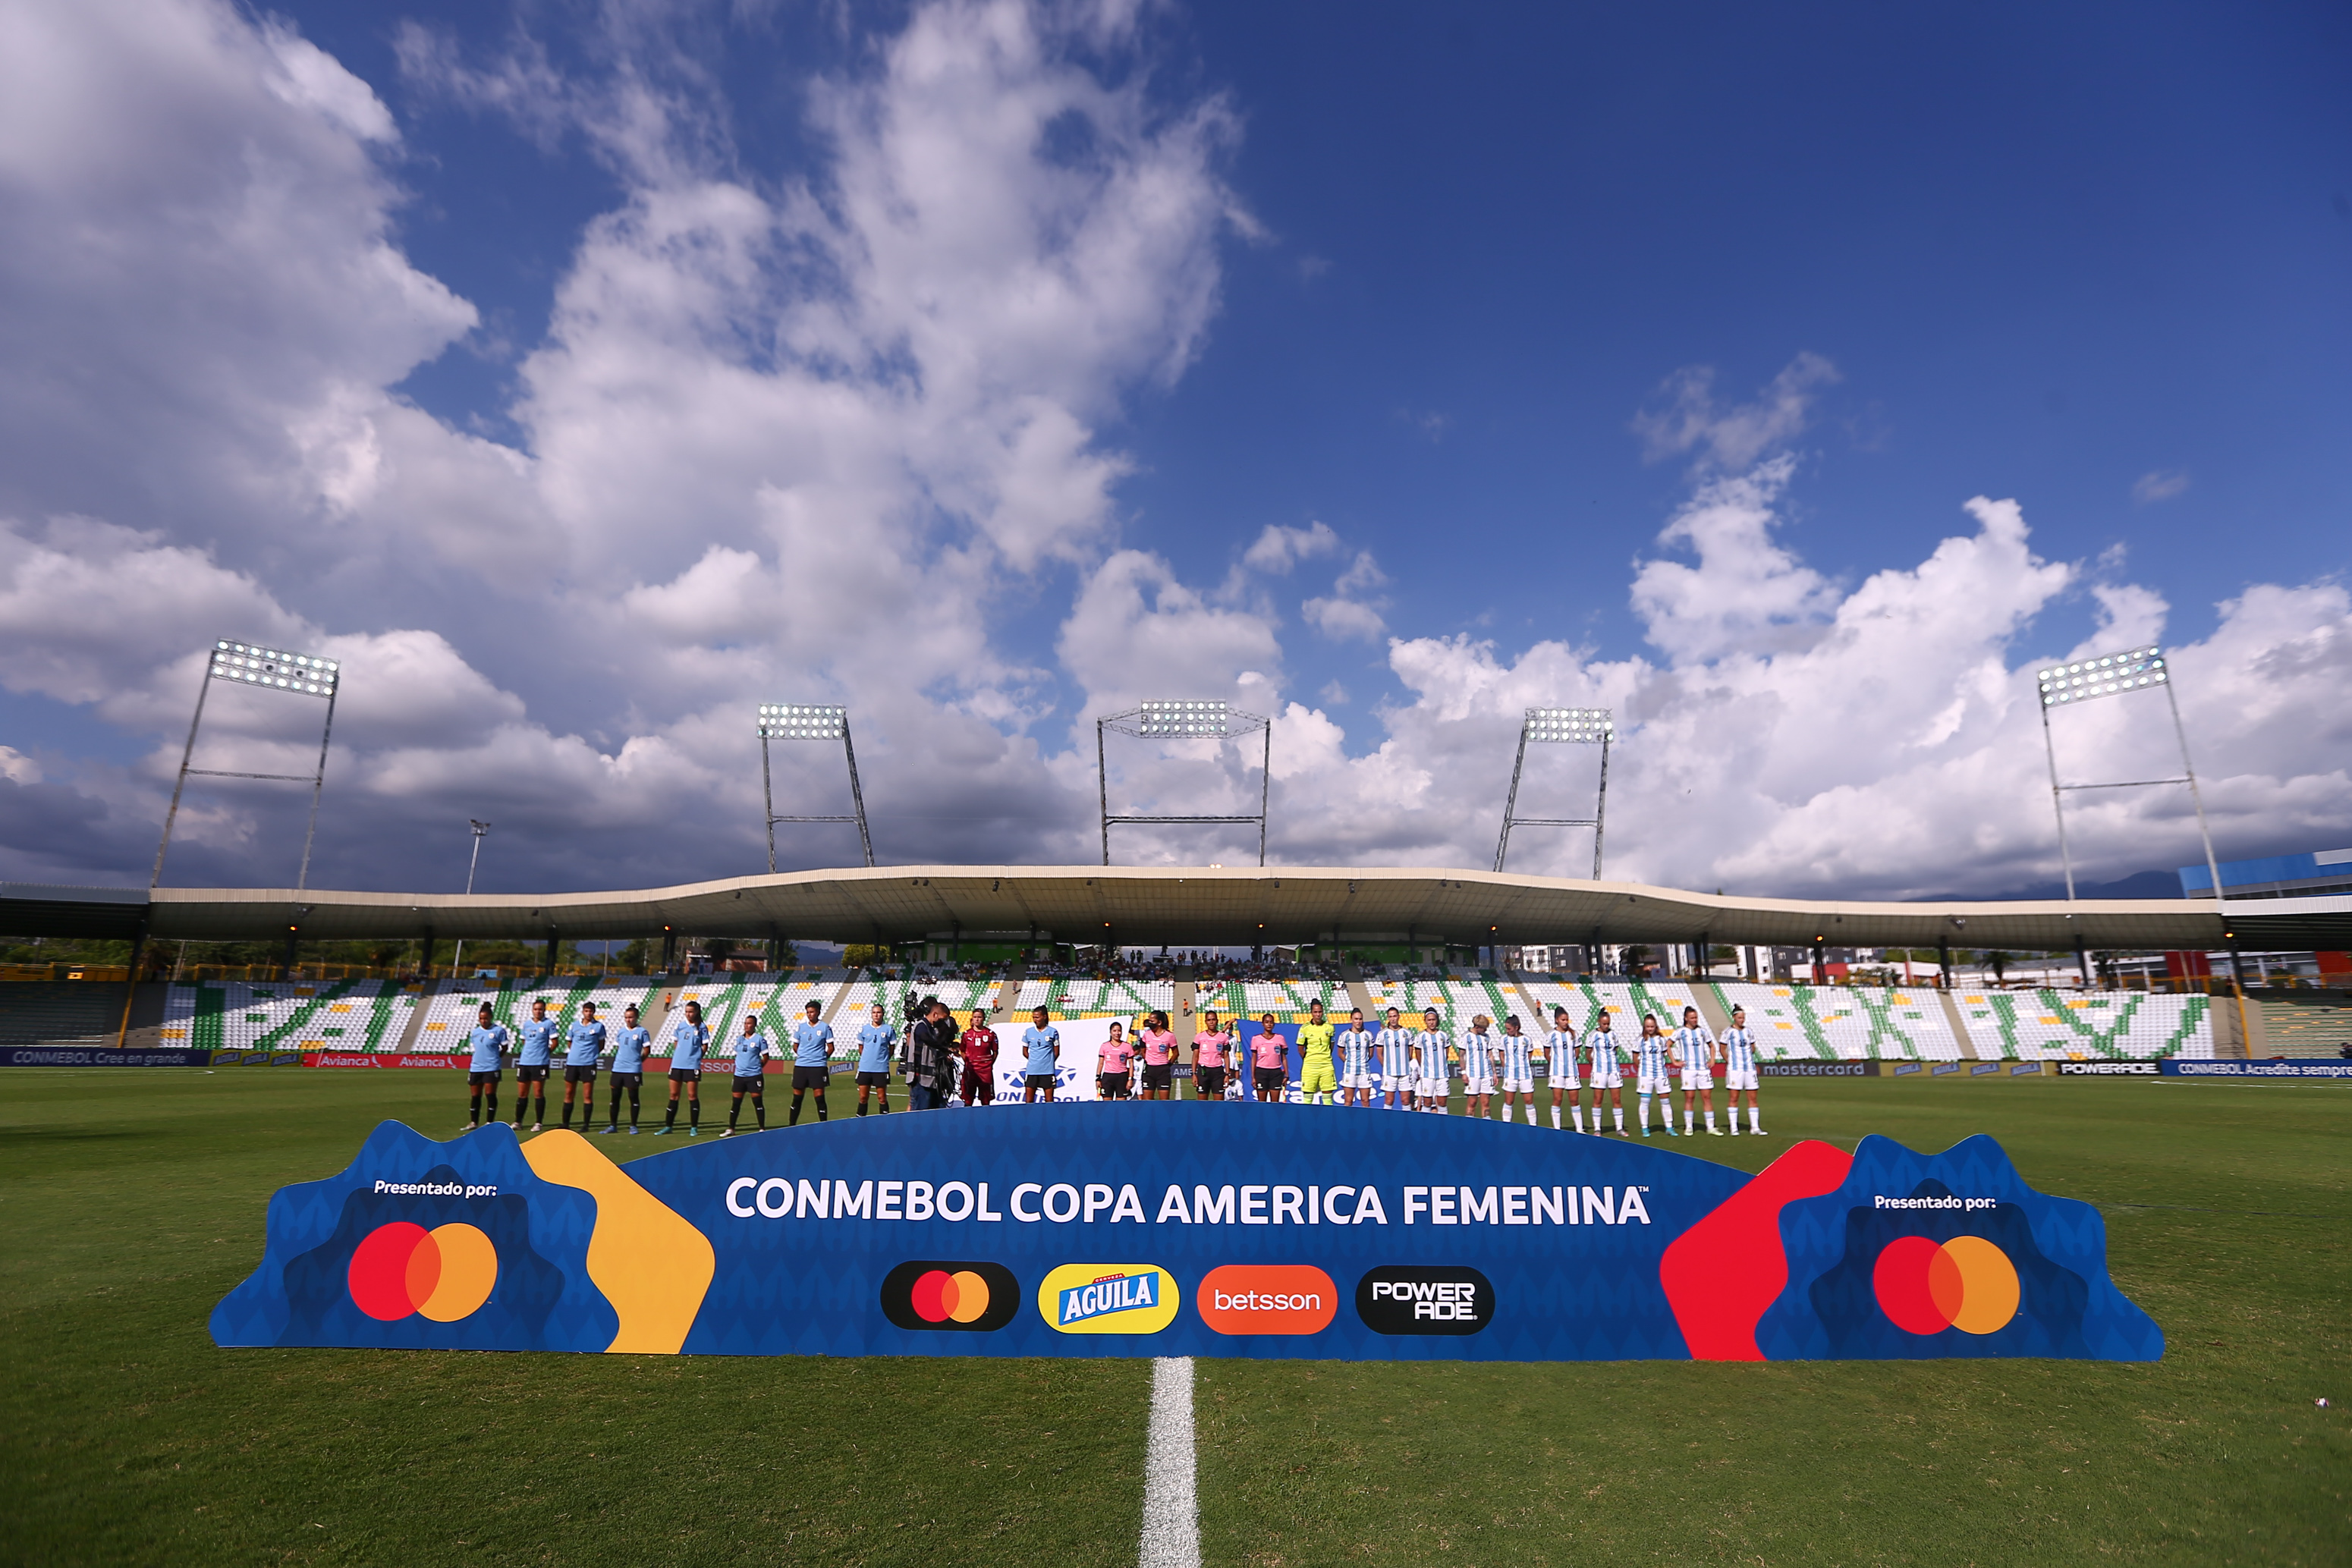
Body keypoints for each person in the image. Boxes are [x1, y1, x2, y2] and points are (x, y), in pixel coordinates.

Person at [720, 1013, 776, 1136]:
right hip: (739, 1075)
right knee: (736, 1103)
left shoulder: (759, 1039)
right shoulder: (739, 1039)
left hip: (754, 1075)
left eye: (749, 1023)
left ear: (755, 1025)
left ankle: (762, 1128)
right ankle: (731, 1128)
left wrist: (758, 1067)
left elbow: (766, 1057)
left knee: (757, 1102)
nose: (746, 1026)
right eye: (745, 1023)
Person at [658, 998, 709, 1135]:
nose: (688, 1014)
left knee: (692, 1096)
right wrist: (680, 1054)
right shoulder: (680, 1026)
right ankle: (668, 1126)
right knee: (673, 1095)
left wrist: (696, 1057)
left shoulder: (702, 1027)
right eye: (686, 1012)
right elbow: (676, 1042)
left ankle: (694, 1127)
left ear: (697, 1012)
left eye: (691, 1012)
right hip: (677, 1064)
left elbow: (705, 1045)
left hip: (692, 1065)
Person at [602, 1003, 651, 1134]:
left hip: (633, 1069)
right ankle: (613, 1125)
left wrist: (638, 1061)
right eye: (626, 1017)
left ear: (636, 1017)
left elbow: (647, 1050)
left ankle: (633, 1125)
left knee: (633, 1097)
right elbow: (619, 1048)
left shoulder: (642, 1032)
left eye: (631, 1017)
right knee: (615, 1098)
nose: (628, 1020)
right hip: (618, 1068)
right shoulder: (621, 1031)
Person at [1672, 1005, 1721, 1136]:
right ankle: (1689, 1127)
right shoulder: (1681, 1032)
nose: (1695, 1020)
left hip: (1703, 1070)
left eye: (1696, 1017)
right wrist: (1675, 1061)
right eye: (1692, 1018)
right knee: (1689, 1098)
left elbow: (1712, 1046)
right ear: (1686, 1018)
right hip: (1688, 1070)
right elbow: (1668, 1045)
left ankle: (1710, 1127)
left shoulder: (1703, 1032)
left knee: (1707, 1098)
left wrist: (1712, 1060)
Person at [512, 995, 559, 1132]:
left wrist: (545, 1052)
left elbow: (555, 1042)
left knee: (538, 1092)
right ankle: (518, 1122)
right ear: (532, 1010)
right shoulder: (527, 1024)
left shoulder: (549, 1024)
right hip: (525, 1062)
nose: (538, 1011)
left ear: (544, 1010)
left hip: (540, 1063)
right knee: (522, 1093)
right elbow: (524, 1040)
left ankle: (538, 1122)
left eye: (540, 1009)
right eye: (536, 1009)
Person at [558, 1000, 606, 1131]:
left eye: (591, 1011)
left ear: (594, 1012)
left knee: (587, 1095)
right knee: (569, 1093)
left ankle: (586, 1125)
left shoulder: (598, 1027)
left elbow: (601, 1045)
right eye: (586, 1011)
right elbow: (570, 1043)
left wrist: (591, 1054)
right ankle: (565, 1123)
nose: (588, 1013)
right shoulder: (574, 1026)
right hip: (573, 1063)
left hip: (588, 1064)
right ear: (583, 1012)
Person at [785, 999, 832, 1126]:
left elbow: (831, 1047)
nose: (810, 1014)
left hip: (818, 1067)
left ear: (818, 1012)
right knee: (797, 1098)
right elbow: (795, 1046)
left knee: (820, 1098)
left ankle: (824, 1125)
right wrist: (803, 1056)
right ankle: (791, 1125)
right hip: (801, 1066)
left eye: (812, 1012)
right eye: (808, 1012)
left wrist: (821, 1058)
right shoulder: (801, 1027)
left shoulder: (825, 1027)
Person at [462, 1001, 508, 1133]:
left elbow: (504, 1047)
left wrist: (496, 1058)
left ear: (491, 1018)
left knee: (490, 1094)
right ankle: (474, 1122)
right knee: (475, 1096)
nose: (483, 1021)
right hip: (476, 1067)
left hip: (492, 1067)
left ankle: (490, 1122)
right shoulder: (475, 1032)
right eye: (481, 1018)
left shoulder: (499, 1031)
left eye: (486, 1018)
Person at [1720, 1004, 1765, 1136]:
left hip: (1749, 1069)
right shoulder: (1728, 1032)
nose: (1742, 1020)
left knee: (1753, 1098)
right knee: (1734, 1097)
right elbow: (1722, 1048)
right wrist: (1730, 1061)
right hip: (1735, 1070)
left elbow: (1753, 1047)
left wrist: (1749, 1057)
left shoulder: (1749, 1031)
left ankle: (1755, 1127)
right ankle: (1734, 1127)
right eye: (1739, 1017)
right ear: (1734, 1017)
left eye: (1743, 1018)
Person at [906, 998, 957, 1109]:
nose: (943, 1022)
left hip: (932, 1080)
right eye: (942, 1019)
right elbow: (927, 1039)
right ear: (935, 1015)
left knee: (937, 1112)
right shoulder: (921, 1025)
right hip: (920, 1080)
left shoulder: (932, 1029)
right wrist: (944, 1049)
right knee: (920, 1114)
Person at [1584, 1007, 1627, 1135]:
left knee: (1617, 1100)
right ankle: (1597, 1129)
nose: (1606, 1026)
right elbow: (1588, 1053)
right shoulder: (1592, 1035)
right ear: (1599, 1022)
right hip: (1599, 1071)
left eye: (1608, 1023)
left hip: (1614, 1071)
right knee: (1598, 1100)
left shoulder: (1613, 1034)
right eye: (1604, 1023)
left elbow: (1615, 1050)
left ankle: (1619, 1128)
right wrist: (1595, 1064)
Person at [1634, 1013, 1678, 1137]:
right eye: (1648, 1026)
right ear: (1644, 1026)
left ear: (1655, 1026)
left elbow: (1664, 1053)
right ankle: (1645, 1128)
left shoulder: (1661, 1040)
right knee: (1645, 1101)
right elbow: (1635, 1057)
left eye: (1652, 1026)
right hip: (1646, 1075)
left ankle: (1669, 1127)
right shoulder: (1640, 1040)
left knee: (1665, 1100)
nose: (1650, 1029)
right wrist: (1644, 1068)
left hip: (1661, 1074)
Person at [853, 1001, 896, 1116]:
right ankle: (860, 1121)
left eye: (879, 1012)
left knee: (882, 1098)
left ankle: (885, 1121)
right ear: (871, 1014)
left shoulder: (889, 1030)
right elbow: (861, 1048)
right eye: (874, 1013)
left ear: (883, 1014)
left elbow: (891, 1049)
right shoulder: (864, 1029)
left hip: (880, 1069)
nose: (876, 1015)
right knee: (863, 1097)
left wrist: (883, 1059)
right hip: (865, 1068)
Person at [1544, 1006, 1580, 1130]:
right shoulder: (1550, 1034)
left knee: (1574, 1100)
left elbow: (1577, 1052)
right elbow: (1547, 1053)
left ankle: (1580, 1129)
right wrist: (1556, 1063)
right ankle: (1557, 1129)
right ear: (1557, 1020)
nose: (1566, 1022)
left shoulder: (1573, 1034)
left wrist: (1570, 1062)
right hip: (1557, 1072)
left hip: (1572, 1072)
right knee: (1557, 1099)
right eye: (1563, 1020)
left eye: (1567, 1020)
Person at [1294, 1000, 1338, 1106]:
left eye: (1320, 1012)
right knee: (1308, 1099)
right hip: (1310, 1067)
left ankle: (1328, 1121)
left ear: (1323, 1012)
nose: (1318, 1015)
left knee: (1328, 1100)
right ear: (1312, 1013)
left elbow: (1331, 1046)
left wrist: (1324, 1056)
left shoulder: (1330, 1027)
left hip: (1326, 1066)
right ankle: (1306, 1121)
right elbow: (1300, 1048)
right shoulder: (1305, 1028)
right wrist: (1310, 1059)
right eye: (1315, 1012)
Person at [1497, 1014, 1537, 1124]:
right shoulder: (1504, 1039)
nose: (1507, 1031)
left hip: (1525, 1075)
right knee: (1509, 1101)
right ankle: (1506, 1125)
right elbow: (1502, 1055)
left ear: (1517, 1027)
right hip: (1510, 1075)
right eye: (1506, 1028)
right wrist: (1506, 1067)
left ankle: (1533, 1126)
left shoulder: (1527, 1039)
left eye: (1509, 1028)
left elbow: (1529, 1055)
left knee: (1529, 1101)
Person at [1458, 1013, 1498, 1118]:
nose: (1485, 1031)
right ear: (1477, 1027)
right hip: (1472, 1074)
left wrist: (1494, 1073)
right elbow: (1461, 1056)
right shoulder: (1466, 1037)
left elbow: (1490, 1055)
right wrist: (1463, 1073)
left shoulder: (1486, 1037)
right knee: (1472, 1103)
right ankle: (1469, 1128)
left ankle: (1487, 1128)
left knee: (1486, 1103)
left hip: (1487, 1073)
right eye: (1484, 1028)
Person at [1412, 1007, 1451, 1113]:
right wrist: (1424, 1066)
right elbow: (1418, 1054)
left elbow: (1446, 1052)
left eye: (1433, 1019)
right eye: (1429, 1020)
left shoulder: (1444, 1035)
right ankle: (1426, 1126)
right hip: (1427, 1074)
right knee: (1427, 1103)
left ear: (1437, 1020)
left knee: (1442, 1103)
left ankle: (1444, 1125)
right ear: (1425, 1021)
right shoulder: (1421, 1036)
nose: (1431, 1022)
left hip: (1442, 1074)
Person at [958, 1007, 1000, 1105]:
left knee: (985, 1100)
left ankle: (987, 1119)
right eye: (975, 1017)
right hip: (970, 1070)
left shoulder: (990, 1034)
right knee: (968, 1099)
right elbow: (962, 1051)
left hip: (985, 1071)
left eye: (979, 1017)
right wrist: (969, 1062)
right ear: (972, 1018)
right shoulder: (966, 1034)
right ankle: (967, 1119)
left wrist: (988, 1064)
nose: (977, 1019)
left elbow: (995, 1052)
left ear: (984, 1018)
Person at [1336, 1008, 1376, 1107]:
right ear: (1351, 1020)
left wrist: (1363, 1062)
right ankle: (1346, 1122)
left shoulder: (1368, 1035)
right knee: (1348, 1101)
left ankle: (1366, 1122)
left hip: (1364, 1071)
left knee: (1365, 1101)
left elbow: (1371, 1054)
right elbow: (1340, 1053)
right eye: (1356, 1019)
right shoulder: (1345, 1035)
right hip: (1350, 1071)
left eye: (1360, 1019)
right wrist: (1349, 1062)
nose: (1358, 1021)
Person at [1376, 1007, 1414, 1110]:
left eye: (1395, 1016)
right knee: (1389, 1100)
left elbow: (1411, 1048)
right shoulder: (1383, 1034)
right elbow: (1379, 1054)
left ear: (1399, 1017)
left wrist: (1407, 1060)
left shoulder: (1407, 1033)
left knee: (1406, 1101)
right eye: (1390, 1017)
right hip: (1389, 1073)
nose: (1393, 1019)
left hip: (1405, 1072)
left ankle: (1406, 1124)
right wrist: (1385, 1066)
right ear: (1388, 1018)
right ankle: (1386, 1123)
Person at [1020, 1005, 1061, 1102]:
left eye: (1037, 1017)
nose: (1035, 1020)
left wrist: (1047, 1061)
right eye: (1034, 1017)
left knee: (1049, 1101)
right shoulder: (1028, 1032)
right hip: (1032, 1071)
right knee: (1029, 1102)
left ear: (1044, 1017)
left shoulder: (1053, 1032)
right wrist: (1034, 1061)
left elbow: (1057, 1052)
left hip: (1047, 1071)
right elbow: (1025, 1052)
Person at [1137, 1011, 1179, 1101]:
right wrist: (1148, 1060)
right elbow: (1143, 1050)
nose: (1149, 1023)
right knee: (1147, 1102)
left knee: (1164, 1102)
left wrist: (1168, 1064)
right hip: (1149, 1070)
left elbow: (1176, 1053)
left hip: (1163, 1071)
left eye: (1152, 1021)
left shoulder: (1169, 1036)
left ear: (1159, 1023)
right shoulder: (1147, 1035)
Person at [1190, 1010, 1231, 1103]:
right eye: (1209, 1020)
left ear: (1217, 1020)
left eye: (1213, 1019)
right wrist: (1194, 1074)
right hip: (1203, 1071)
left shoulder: (1223, 1037)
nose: (1211, 1022)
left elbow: (1226, 1057)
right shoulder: (1199, 1037)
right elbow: (1195, 1057)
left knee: (1219, 1103)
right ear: (1205, 1022)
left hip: (1218, 1072)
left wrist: (1227, 1074)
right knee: (1202, 1104)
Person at [1248, 1013, 1289, 1104]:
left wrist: (1286, 1074)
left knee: (1275, 1103)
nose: (1269, 1024)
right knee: (1261, 1103)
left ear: (1274, 1024)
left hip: (1276, 1073)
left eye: (1271, 1022)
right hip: (1261, 1072)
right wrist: (1253, 1077)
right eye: (1267, 1022)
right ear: (1263, 1024)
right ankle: (1261, 1118)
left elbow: (1284, 1058)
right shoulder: (1256, 1039)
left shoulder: (1280, 1038)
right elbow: (1254, 1058)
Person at [1097, 1020, 1134, 1100]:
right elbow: (1101, 1063)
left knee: (1121, 1104)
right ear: (1110, 1032)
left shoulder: (1127, 1046)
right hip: (1108, 1076)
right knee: (1107, 1104)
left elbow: (1131, 1064)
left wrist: (1130, 1079)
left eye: (1119, 1031)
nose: (1117, 1033)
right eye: (1114, 1031)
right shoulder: (1104, 1046)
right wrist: (1098, 1078)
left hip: (1122, 1076)